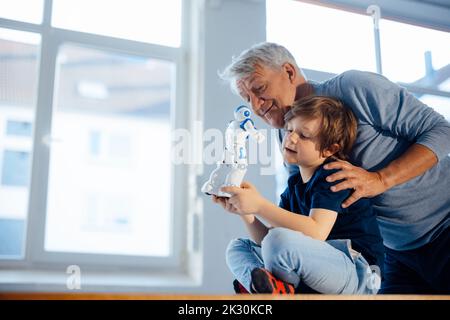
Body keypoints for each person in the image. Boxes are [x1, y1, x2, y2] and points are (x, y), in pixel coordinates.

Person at [218, 42, 450, 294]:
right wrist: (247, 209)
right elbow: (305, 210)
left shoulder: (354, 88)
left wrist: (381, 179)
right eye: (246, 98)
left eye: (259, 89)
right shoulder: (285, 134)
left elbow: (442, 131)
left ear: (289, 72)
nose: (255, 106)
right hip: (395, 251)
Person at [214, 96, 384, 294]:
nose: (291, 138)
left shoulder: (333, 176)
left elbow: (316, 232)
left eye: (304, 135)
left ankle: (275, 287)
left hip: (359, 274)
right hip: (316, 272)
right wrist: (246, 211)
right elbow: (267, 241)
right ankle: (266, 287)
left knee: (278, 240)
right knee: (238, 247)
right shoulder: (294, 186)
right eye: (289, 130)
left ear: (330, 149)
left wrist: (259, 205)